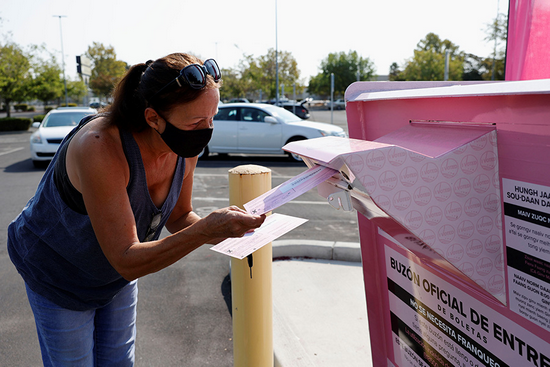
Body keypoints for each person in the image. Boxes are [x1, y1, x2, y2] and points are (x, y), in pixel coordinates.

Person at [7, 53, 265, 366]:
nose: (206, 130)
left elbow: (179, 216)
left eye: (212, 118)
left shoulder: (184, 145)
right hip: (58, 271)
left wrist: (230, 232)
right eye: (196, 122)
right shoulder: (100, 146)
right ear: (153, 118)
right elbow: (127, 259)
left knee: (119, 362)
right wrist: (206, 230)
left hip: (113, 275)